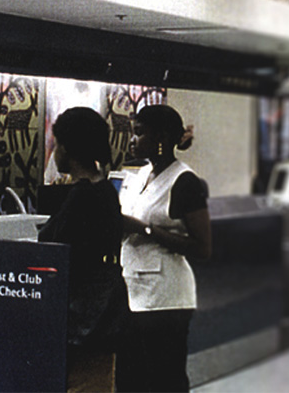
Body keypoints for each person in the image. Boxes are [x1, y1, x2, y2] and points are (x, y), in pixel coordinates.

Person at [116, 104, 211, 393]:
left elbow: (202, 247)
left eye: (139, 134)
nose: (132, 140)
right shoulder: (138, 176)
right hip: (131, 291)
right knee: (132, 378)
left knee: (164, 380)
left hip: (166, 299)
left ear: (162, 137)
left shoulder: (184, 182)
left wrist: (145, 230)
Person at [37, 108, 128, 392]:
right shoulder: (104, 192)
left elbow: (62, 252)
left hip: (84, 323)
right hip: (102, 317)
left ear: (66, 147)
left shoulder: (82, 197)